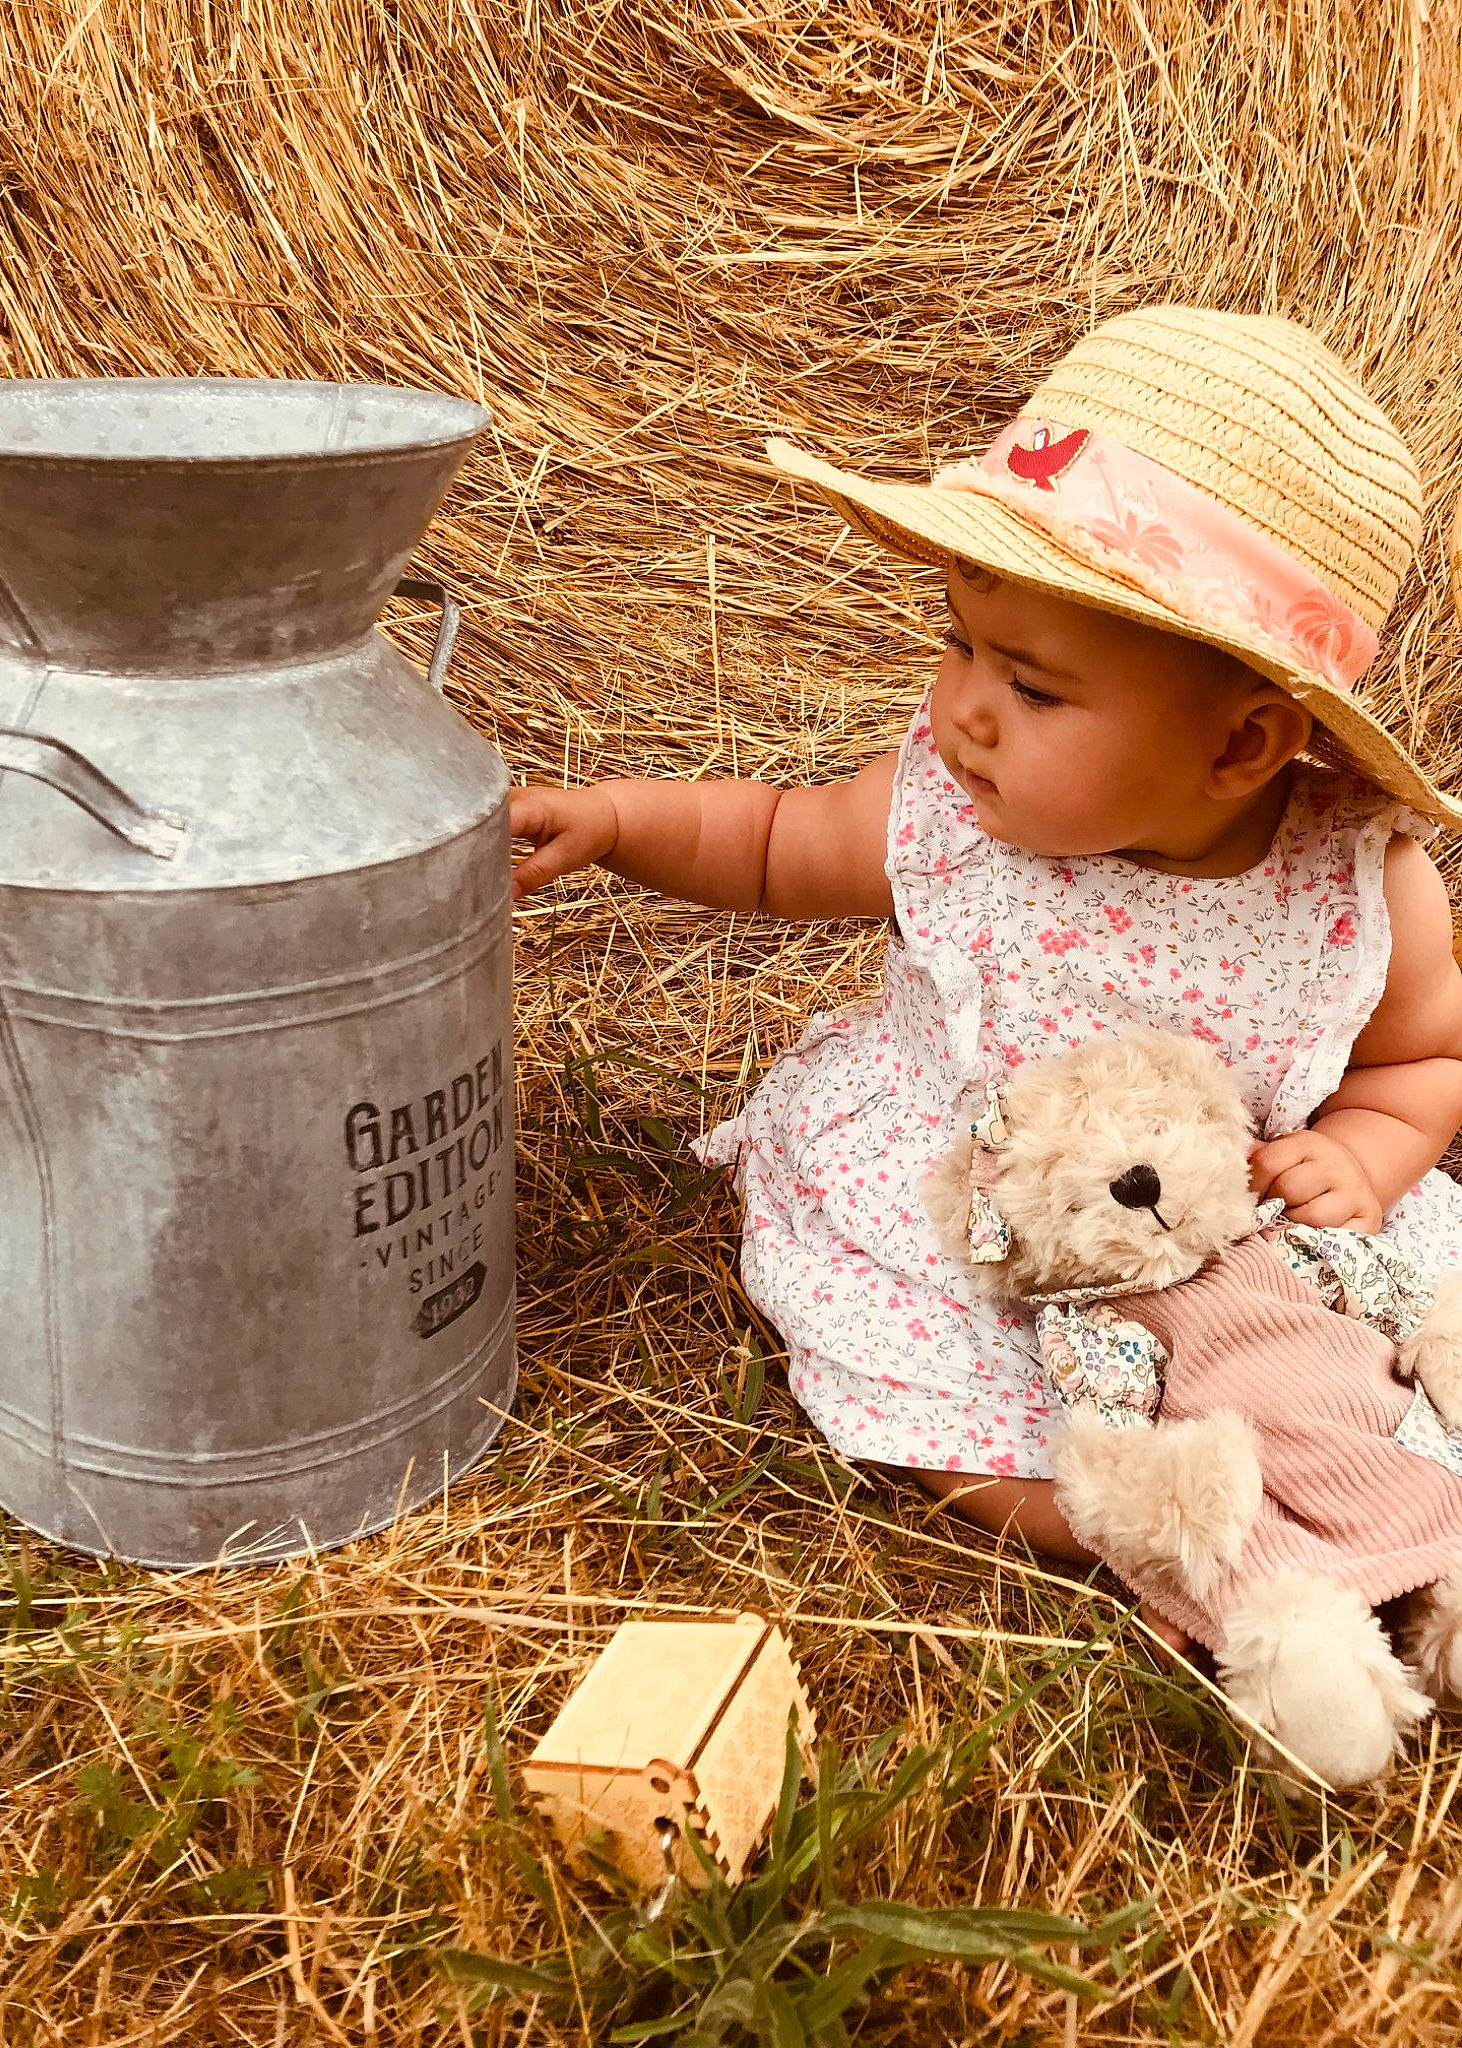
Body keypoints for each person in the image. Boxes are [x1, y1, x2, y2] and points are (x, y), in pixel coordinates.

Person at [508, 306, 1462, 1650]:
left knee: (1383, 1347)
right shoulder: (952, 812)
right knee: (931, 1398)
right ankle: (1157, 1528)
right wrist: (621, 824)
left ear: (1243, 744)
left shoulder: (1349, 885)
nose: (964, 707)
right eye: (960, 643)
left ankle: (1376, 1502)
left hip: (1219, 1232)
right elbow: (777, 843)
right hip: (979, 1219)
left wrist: (1364, 1154)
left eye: (1035, 687)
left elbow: (1423, 1063)